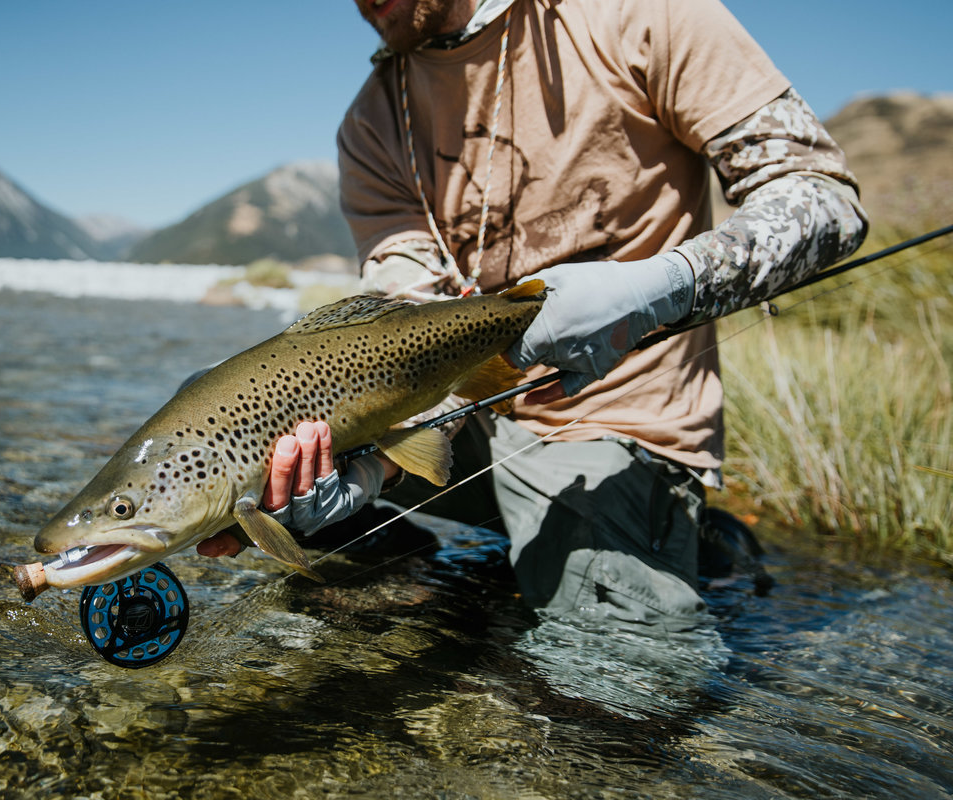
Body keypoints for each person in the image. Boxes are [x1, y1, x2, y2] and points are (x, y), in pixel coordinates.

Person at [198, 0, 867, 626]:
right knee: (261, 465)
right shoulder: (373, 123)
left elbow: (824, 200)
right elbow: (407, 333)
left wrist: (665, 284)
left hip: (615, 426)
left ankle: (689, 535)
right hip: (468, 422)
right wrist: (374, 466)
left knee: (610, 701)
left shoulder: (641, 15)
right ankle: (402, 570)